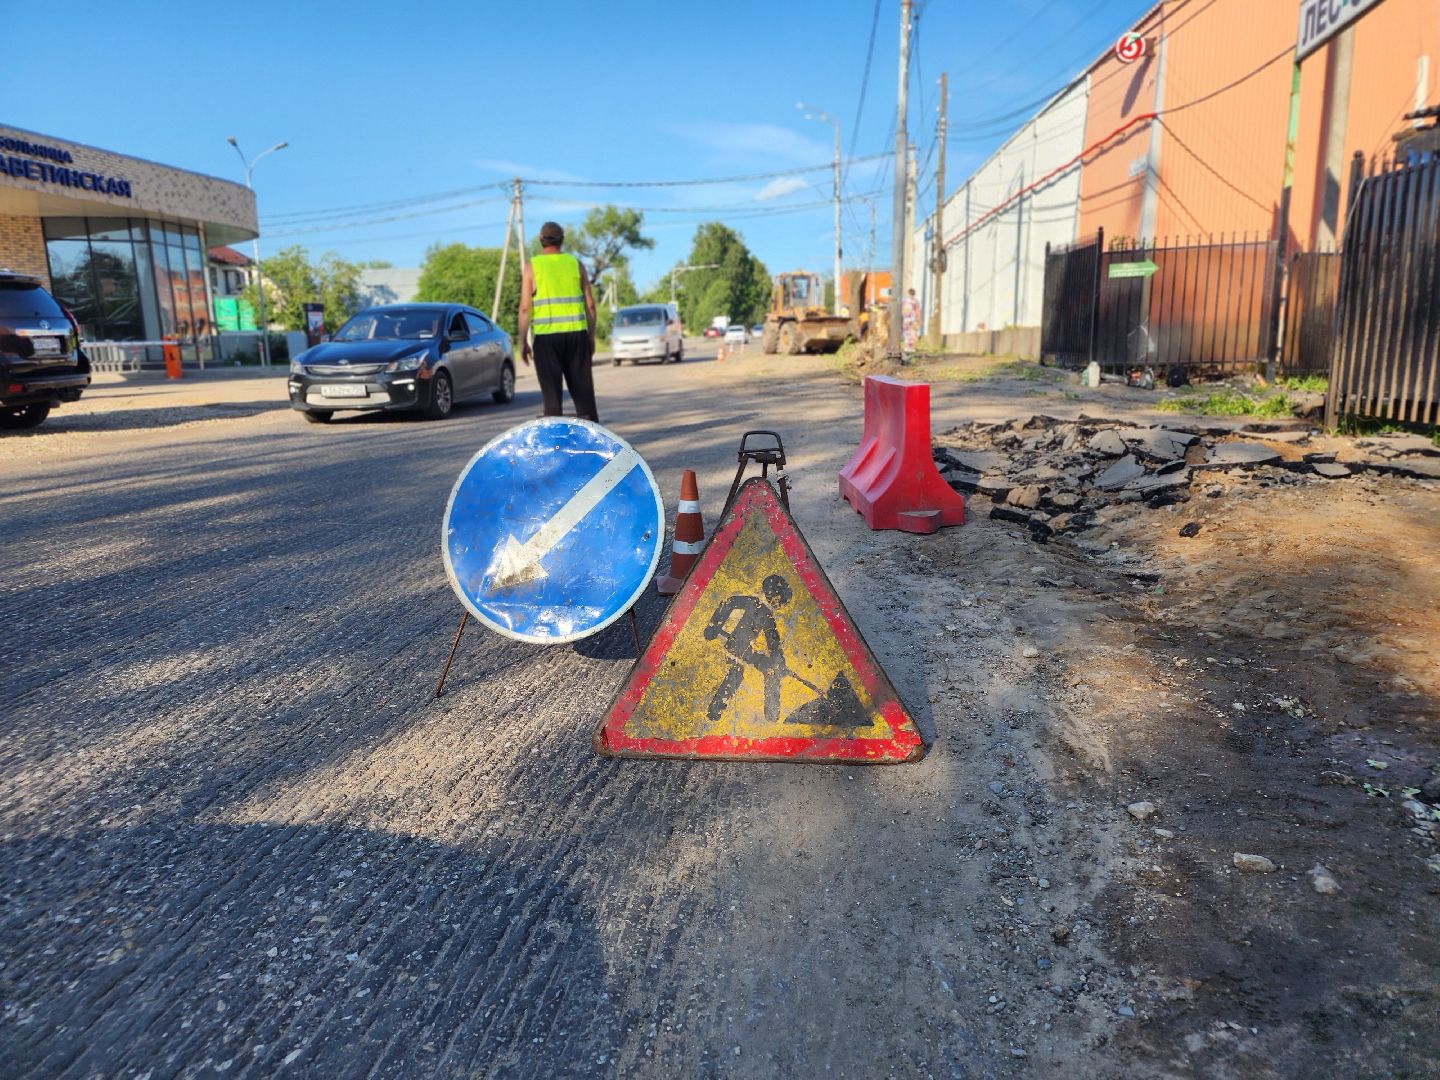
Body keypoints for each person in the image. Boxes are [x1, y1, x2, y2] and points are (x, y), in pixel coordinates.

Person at [518, 222, 599, 421]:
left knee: (552, 399)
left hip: (546, 341)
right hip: (576, 336)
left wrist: (522, 341)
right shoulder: (576, 264)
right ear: (562, 240)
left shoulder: (532, 266)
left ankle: (556, 447)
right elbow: (590, 305)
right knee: (584, 397)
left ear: (540, 241)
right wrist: (590, 336)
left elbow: (525, 308)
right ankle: (594, 444)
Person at [901, 288, 922, 354]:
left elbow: (903, 309)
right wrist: (918, 319)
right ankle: (911, 347)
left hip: (906, 319)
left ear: (908, 293)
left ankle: (907, 347)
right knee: (912, 333)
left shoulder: (904, 300)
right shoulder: (916, 301)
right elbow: (917, 310)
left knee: (906, 333)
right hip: (913, 319)